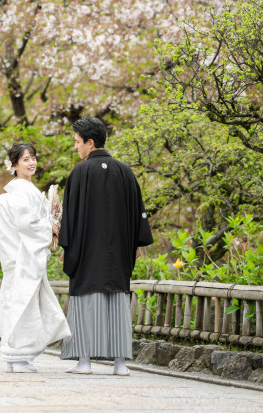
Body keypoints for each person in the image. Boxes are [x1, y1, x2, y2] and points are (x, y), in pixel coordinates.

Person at [58, 117, 153, 376]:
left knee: (86, 300)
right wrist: (133, 244)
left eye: (77, 142)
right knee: (118, 301)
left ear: (90, 143)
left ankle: (85, 362)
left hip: (86, 252)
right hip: (119, 252)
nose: (76, 148)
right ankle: (120, 364)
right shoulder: (125, 171)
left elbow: (71, 216)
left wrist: (66, 245)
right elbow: (138, 214)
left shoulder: (79, 172)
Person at [0, 143, 71, 373]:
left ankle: (18, 356)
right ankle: (17, 355)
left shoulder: (21, 191)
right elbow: (28, 225)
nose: (31, 163)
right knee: (23, 305)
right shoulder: (18, 193)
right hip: (23, 259)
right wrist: (52, 227)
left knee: (24, 305)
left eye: (33, 158)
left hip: (23, 258)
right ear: (14, 165)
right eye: (25, 159)